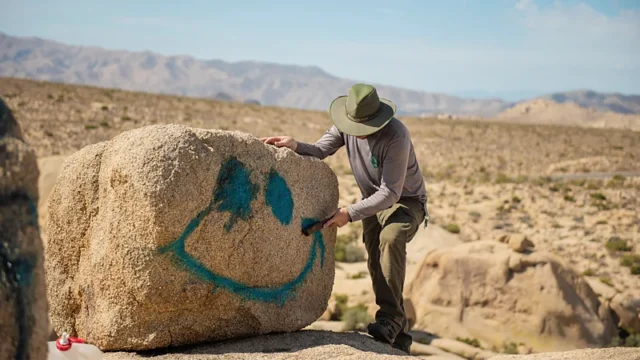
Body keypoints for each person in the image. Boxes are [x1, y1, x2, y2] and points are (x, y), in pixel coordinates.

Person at [260, 83, 428, 353]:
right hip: (372, 200)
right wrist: (295, 145)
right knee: (377, 262)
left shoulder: (397, 135)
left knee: (391, 237)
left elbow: (390, 193)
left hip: (405, 201)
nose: (360, 134)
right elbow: (320, 149)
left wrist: (348, 214)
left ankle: (389, 319)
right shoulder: (346, 125)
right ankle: (400, 340)